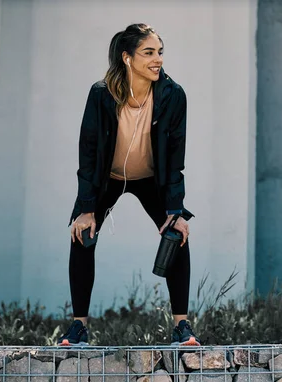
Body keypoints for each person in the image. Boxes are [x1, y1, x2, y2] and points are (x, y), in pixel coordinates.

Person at [57, 23, 199, 346]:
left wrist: (175, 209)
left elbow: (176, 157)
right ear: (127, 57)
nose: (157, 59)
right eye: (148, 52)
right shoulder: (101, 94)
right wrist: (86, 207)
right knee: (82, 233)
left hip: (153, 179)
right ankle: (78, 327)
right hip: (108, 178)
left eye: (160, 52)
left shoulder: (173, 96)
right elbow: (89, 151)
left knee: (177, 233)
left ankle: (182, 327)